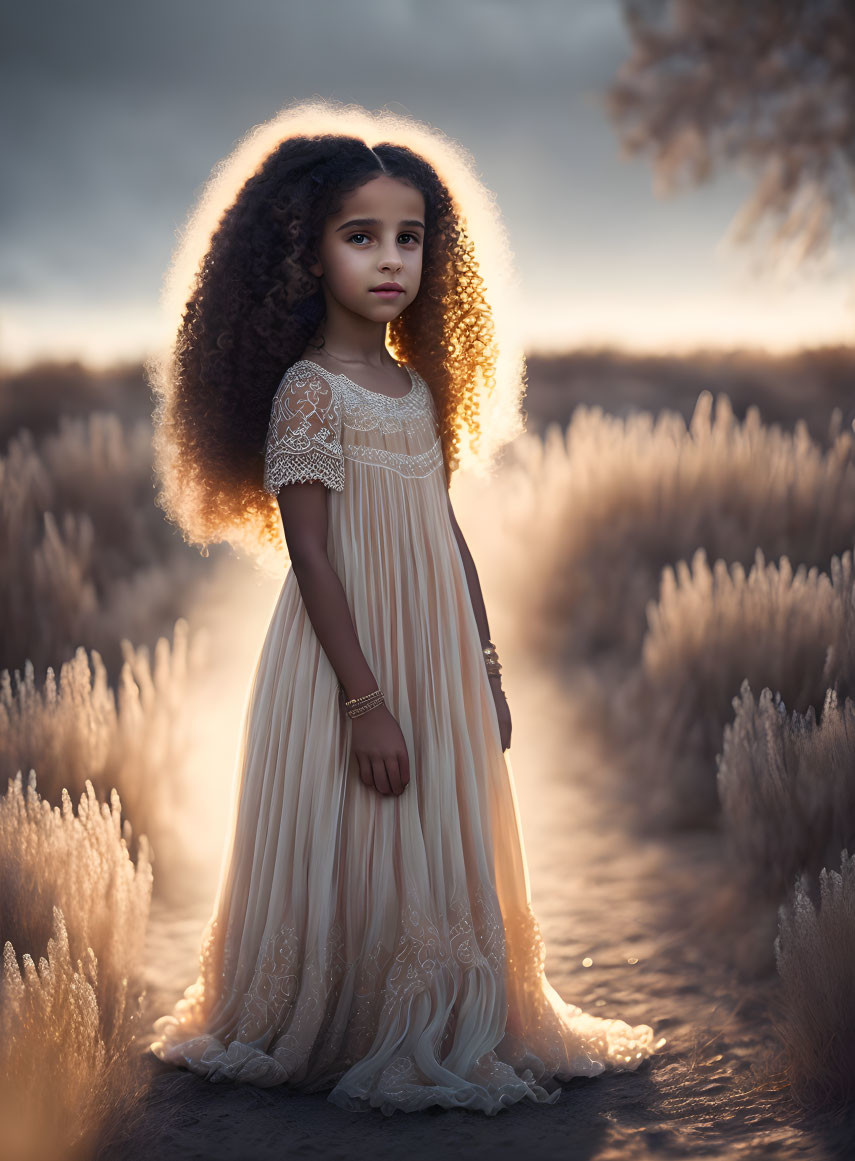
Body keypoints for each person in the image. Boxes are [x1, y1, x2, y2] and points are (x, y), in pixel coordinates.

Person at [146, 98, 667, 1117]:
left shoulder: (416, 388)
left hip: (432, 650)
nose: (391, 260)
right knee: (364, 826)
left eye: (410, 237)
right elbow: (312, 555)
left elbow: (445, 534)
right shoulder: (307, 392)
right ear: (305, 253)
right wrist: (364, 702)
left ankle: (450, 1010)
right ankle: (346, 1019)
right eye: (361, 236)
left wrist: (484, 665)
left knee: (439, 826)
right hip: (350, 659)